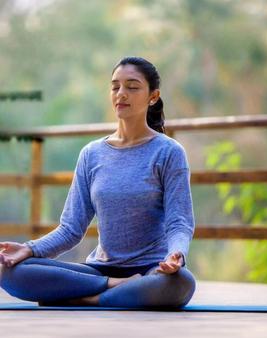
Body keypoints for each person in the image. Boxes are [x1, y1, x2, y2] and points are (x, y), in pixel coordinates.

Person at [0, 56, 196, 308]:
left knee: (180, 283)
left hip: (151, 271)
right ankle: (113, 288)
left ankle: (87, 298)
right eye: (115, 87)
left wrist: (176, 254)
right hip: (101, 271)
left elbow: (179, 222)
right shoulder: (92, 154)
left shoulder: (169, 152)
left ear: (153, 96)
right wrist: (28, 249)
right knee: (9, 272)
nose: (121, 94)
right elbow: (70, 230)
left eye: (132, 87)